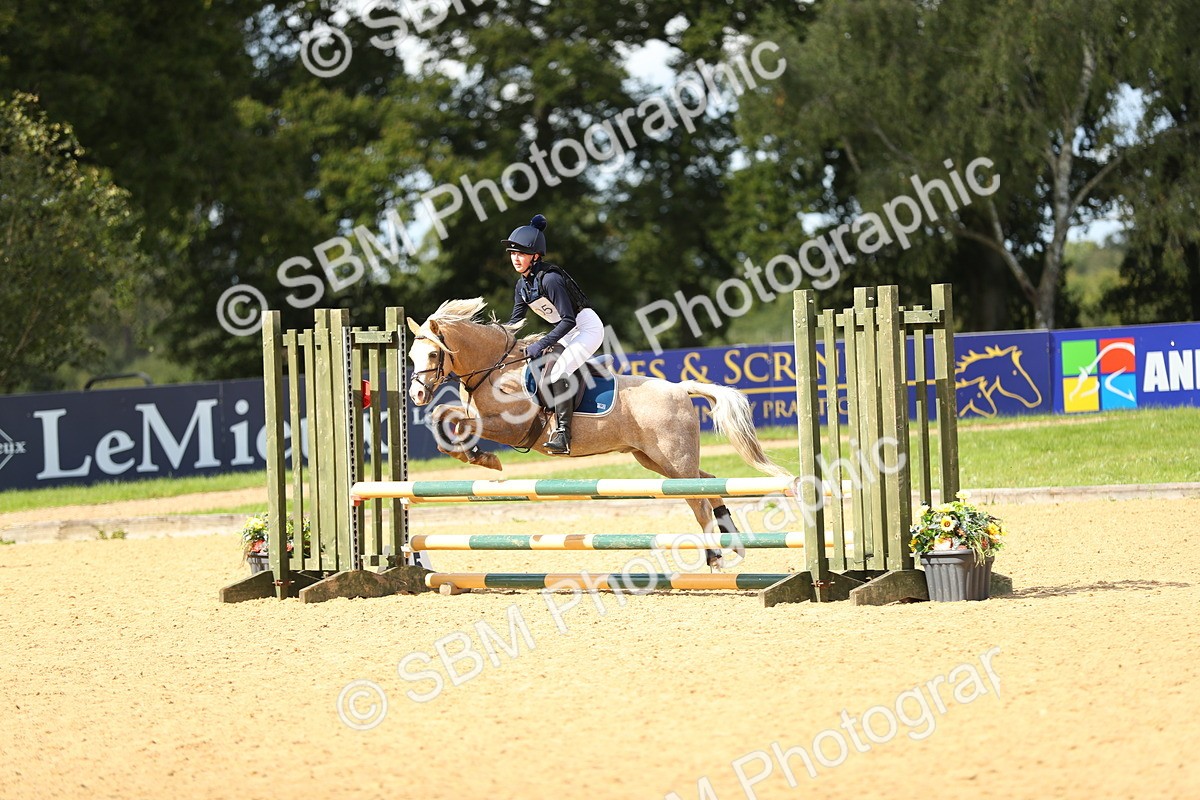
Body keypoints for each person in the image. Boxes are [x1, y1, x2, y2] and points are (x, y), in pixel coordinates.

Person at [503, 213, 603, 455]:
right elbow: (515, 322)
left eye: (521, 254)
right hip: (566, 331)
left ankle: (563, 434)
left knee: (559, 371)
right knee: (542, 367)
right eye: (513, 254)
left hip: (586, 328)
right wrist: (497, 338)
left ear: (535, 256)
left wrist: (542, 343)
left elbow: (568, 319)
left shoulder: (550, 279)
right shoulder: (522, 285)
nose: (516, 258)